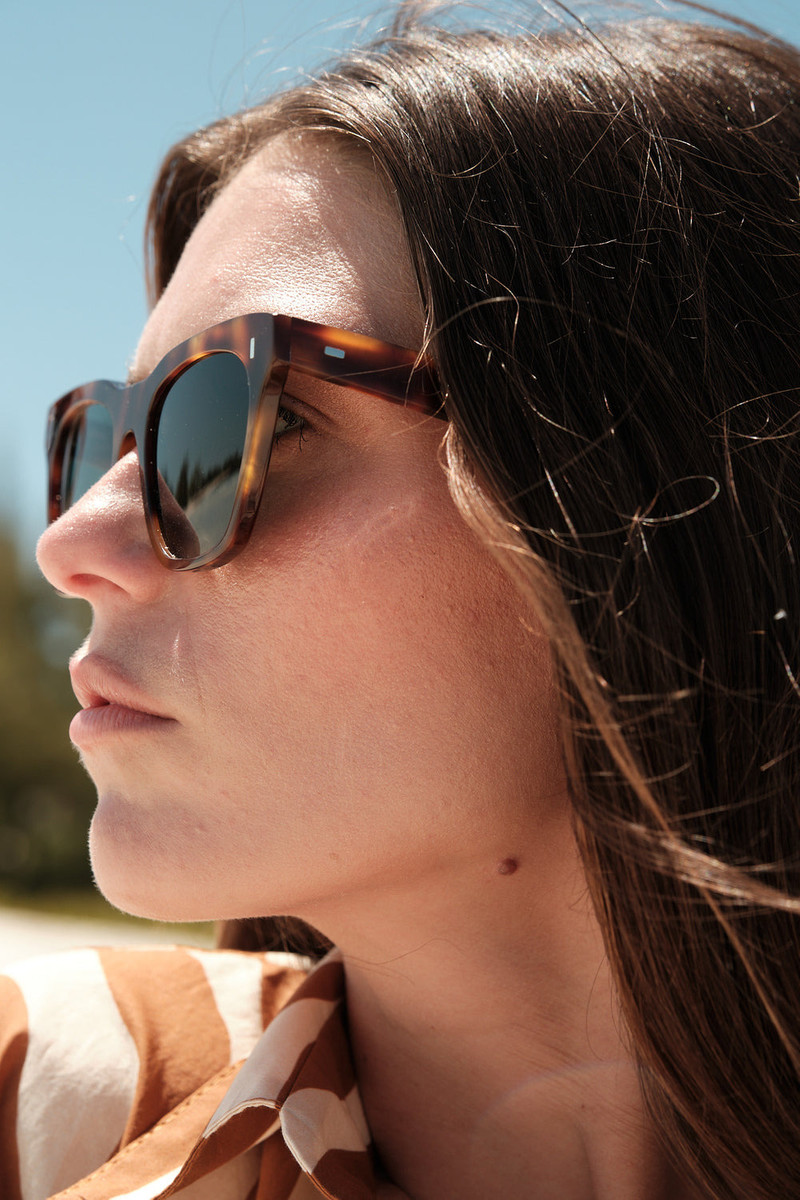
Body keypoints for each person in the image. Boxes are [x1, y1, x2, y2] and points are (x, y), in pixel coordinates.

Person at [2, 1, 799, 1197]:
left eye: (247, 414)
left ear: (649, 503)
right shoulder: (44, 1103)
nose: (72, 543)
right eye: (107, 435)